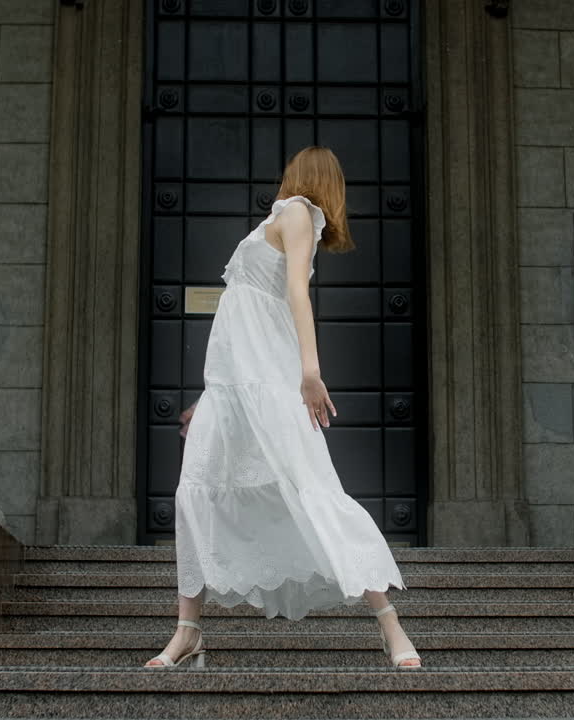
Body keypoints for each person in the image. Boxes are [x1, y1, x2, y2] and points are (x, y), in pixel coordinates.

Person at [143, 146, 422, 670]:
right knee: (197, 496)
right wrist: (211, 397)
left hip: (271, 383)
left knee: (311, 488)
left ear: (303, 179)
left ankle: (390, 624)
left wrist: (309, 372)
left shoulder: (298, 211)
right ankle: (187, 633)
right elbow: (238, 324)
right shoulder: (280, 219)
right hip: (234, 388)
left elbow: (296, 292)